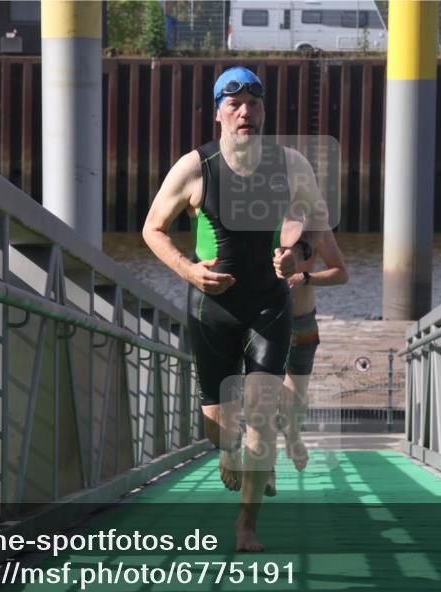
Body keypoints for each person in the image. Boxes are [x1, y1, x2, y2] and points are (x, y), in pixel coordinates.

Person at [143, 66, 328, 552]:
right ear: (218, 113)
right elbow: (152, 229)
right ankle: (230, 449)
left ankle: (247, 527)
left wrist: (295, 252)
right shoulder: (195, 167)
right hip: (213, 311)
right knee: (217, 426)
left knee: (261, 417)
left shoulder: (290, 164)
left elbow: (313, 220)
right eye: (235, 104)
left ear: (264, 111)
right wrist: (188, 270)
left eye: (254, 104)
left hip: (269, 305)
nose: (246, 112)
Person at [278, 230, 348, 471]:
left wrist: (306, 277)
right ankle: (264, 466)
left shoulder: (316, 228)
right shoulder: (255, 222)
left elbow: (341, 273)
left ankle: (293, 435)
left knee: (297, 391)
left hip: (301, 320)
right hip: (262, 321)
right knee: (263, 386)